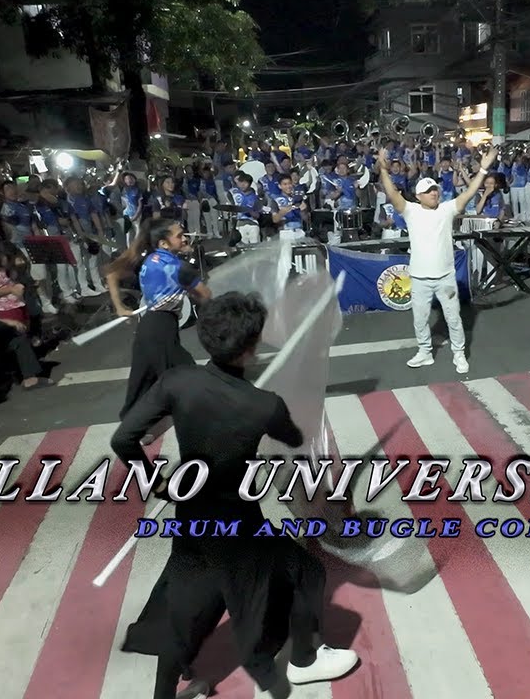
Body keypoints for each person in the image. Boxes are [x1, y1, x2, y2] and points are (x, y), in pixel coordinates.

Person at [111, 292, 359, 699]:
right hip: (240, 529)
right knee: (307, 573)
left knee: (188, 610)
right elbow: (293, 437)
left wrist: (156, 480)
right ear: (250, 347)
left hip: (192, 519)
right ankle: (304, 661)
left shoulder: (178, 381)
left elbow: (123, 438)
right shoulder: (261, 404)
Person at [378, 145, 498, 374]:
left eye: (435, 189)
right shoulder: (411, 211)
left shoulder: (447, 209)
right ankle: (424, 352)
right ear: (418, 196)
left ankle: (459, 354)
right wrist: (383, 169)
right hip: (420, 278)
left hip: (445, 277)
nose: (434, 193)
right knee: (419, 319)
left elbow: (469, 193)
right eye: (429, 191)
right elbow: (392, 193)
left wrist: (482, 170)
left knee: (453, 318)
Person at [120, 221, 211, 421]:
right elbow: (205, 294)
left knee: (141, 380)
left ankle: (132, 424)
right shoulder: (179, 267)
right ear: (164, 243)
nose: (185, 238)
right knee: (189, 374)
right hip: (162, 328)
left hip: (147, 325)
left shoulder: (149, 259)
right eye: (179, 236)